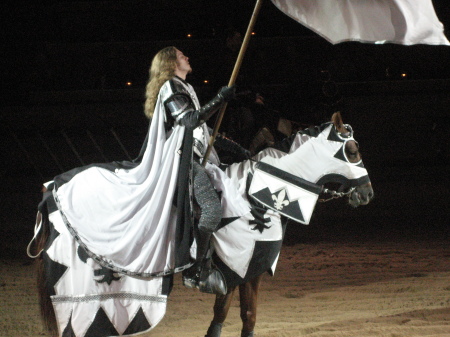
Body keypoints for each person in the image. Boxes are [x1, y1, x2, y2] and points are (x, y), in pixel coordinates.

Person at [143, 46, 250, 291]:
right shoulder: (170, 86)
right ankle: (195, 269)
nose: (187, 57)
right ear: (170, 63)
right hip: (180, 161)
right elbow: (190, 121)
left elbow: (204, 131)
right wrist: (219, 99)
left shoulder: (186, 88)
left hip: (195, 157)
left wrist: (236, 148)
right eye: (182, 56)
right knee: (212, 209)